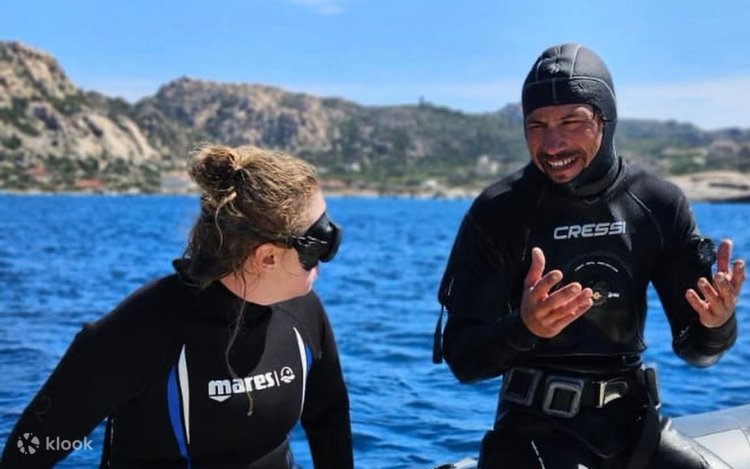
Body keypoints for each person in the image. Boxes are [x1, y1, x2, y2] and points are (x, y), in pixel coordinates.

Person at [434, 43, 744, 468]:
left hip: (634, 426)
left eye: (571, 122)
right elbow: (463, 359)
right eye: (537, 125)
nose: (553, 142)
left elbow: (697, 352)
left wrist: (716, 324)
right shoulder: (499, 212)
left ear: (605, 119)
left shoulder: (658, 204)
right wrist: (524, 328)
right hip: (533, 433)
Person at [0, 144, 353, 468]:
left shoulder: (304, 312)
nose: (327, 257)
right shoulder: (141, 331)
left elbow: (329, 418)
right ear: (267, 258)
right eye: (319, 243)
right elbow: (29, 449)